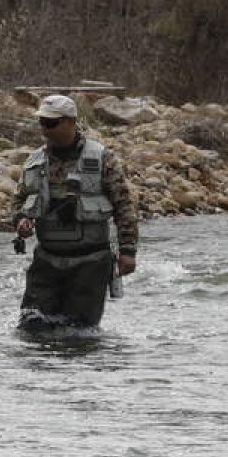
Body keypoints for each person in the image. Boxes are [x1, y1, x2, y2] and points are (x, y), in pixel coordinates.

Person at [12, 94, 138, 332]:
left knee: (80, 334)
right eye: (42, 122)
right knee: (31, 326)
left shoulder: (102, 158)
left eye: (51, 123)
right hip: (46, 262)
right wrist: (20, 221)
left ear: (70, 121)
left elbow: (124, 206)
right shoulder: (34, 161)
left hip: (90, 263)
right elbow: (18, 202)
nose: (44, 129)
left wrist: (128, 251)